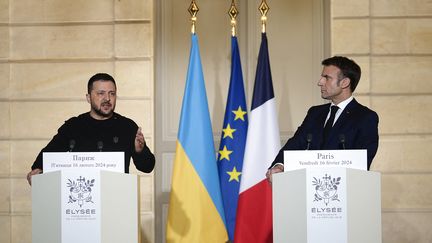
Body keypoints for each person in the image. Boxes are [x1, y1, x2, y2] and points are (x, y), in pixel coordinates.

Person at [26, 73, 155, 185]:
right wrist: (38, 170)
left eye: (112, 94)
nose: (107, 99)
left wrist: (140, 151)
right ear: (88, 98)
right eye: (101, 93)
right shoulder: (73, 126)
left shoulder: (127, 126)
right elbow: (45, 158)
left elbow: (148, 167)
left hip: (115, 199)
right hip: (79, 203)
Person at [266, 56, 379, 182]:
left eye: (327, 78)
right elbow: (296, 143)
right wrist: (279, 166)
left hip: (345, 192)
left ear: (344, 82)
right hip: (307, 188)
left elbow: (362, 162)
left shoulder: (365, 117)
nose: (320, 82)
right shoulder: (315, 113)